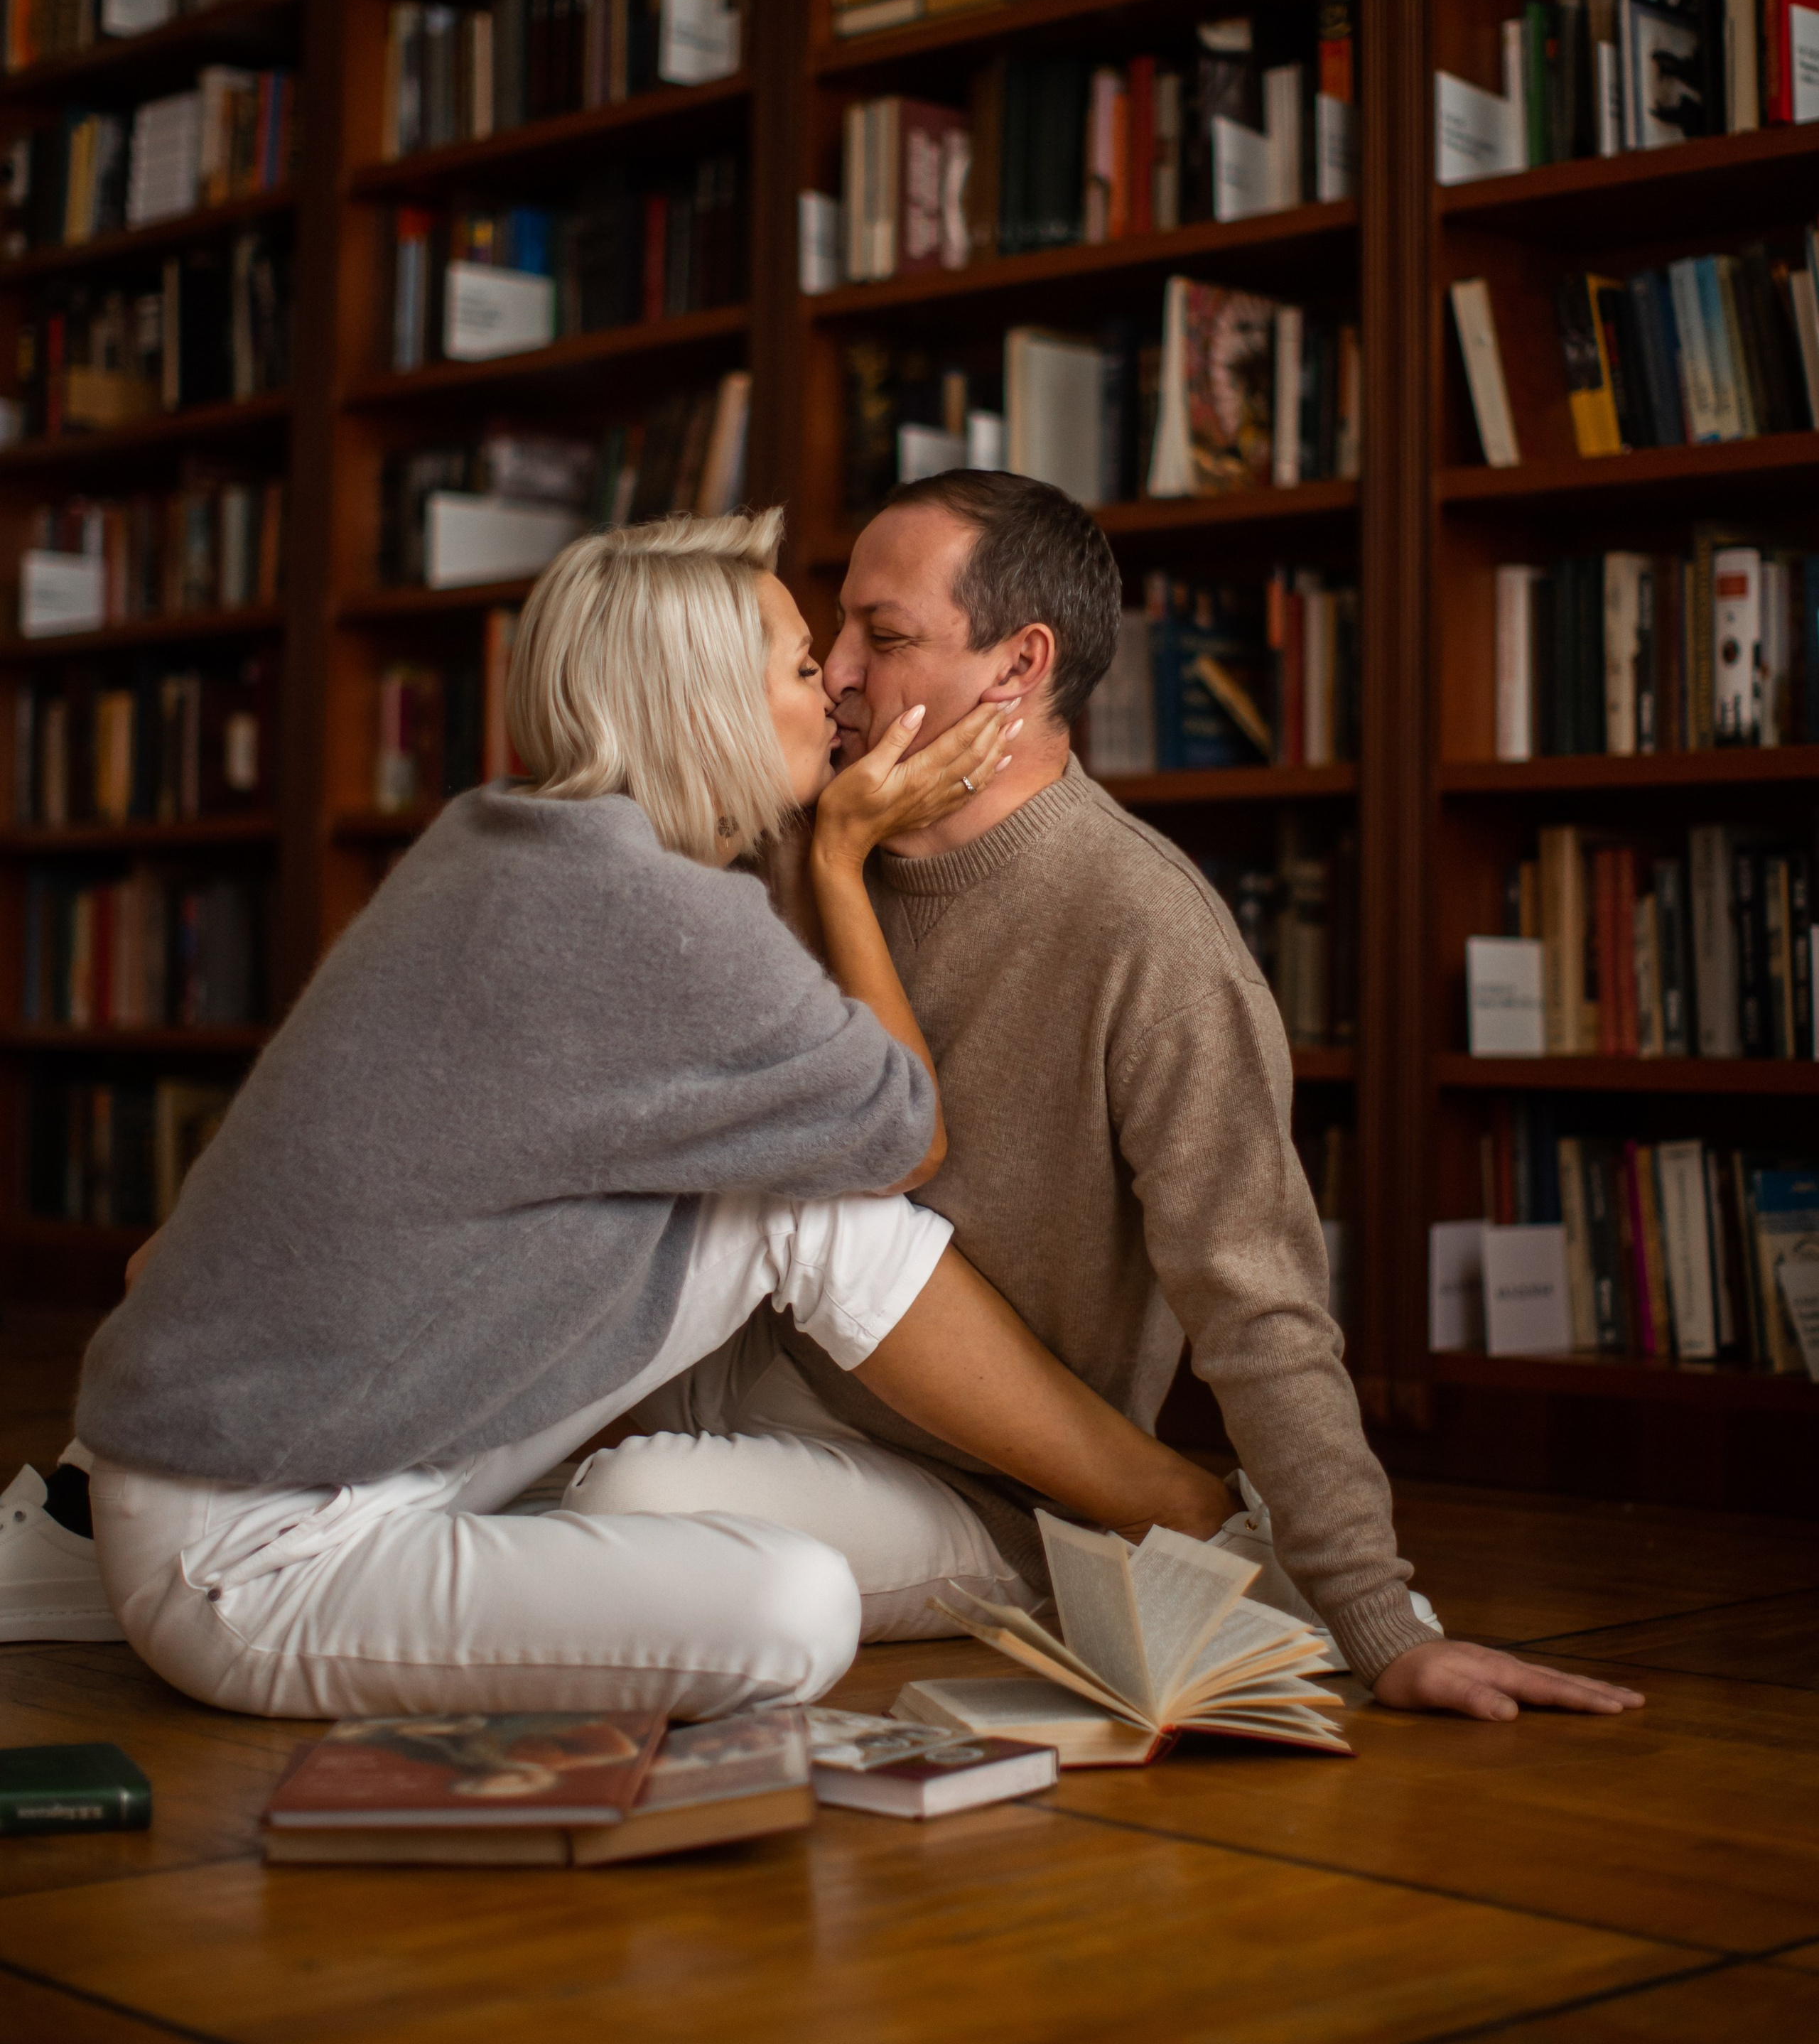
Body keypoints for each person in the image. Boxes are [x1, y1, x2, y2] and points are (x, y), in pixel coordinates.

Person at [50, 509, 1233, 1721]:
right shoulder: (653, 918)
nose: (835, 686)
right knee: (797, 1608)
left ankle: (1170, 1508)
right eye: (800, 665)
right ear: (709, 706)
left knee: (797, 1210)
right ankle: (1171, 1516)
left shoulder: (497, 837)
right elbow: (902, 1135)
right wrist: (838, 856)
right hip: (263, 1554)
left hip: (285, 1448)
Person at [571, 475, 1643, 1729]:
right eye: (836, 630)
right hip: (722, 1362)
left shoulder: (1147, 933)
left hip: (964, 1484)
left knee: (622, 1509)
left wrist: (1377, 1617)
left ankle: (1188, 1544)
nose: (839, 672)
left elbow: (1258, 1299)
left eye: (885, 635)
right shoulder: (792, 836)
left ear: (1019, 665)